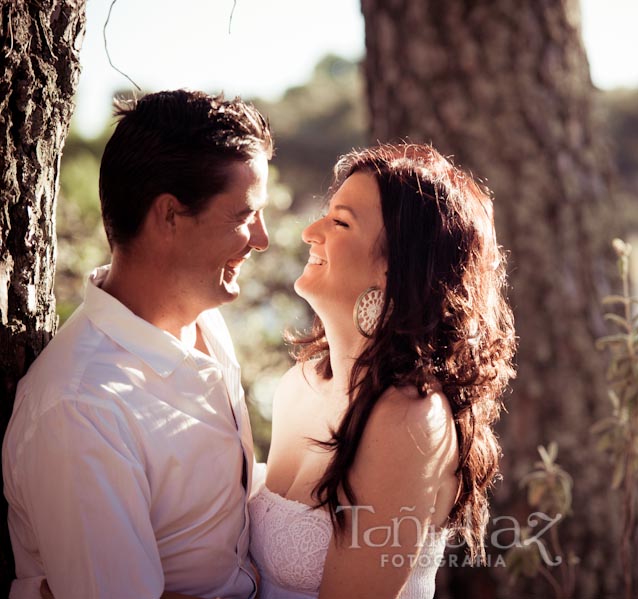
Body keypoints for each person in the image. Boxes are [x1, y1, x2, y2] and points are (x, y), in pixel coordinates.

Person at [2, 89, 273, 599]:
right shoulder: (82, 408)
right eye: (243, 215)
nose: (261, 238)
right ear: (169, 215)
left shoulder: (207, 322)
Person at [249, 143, 516, 598]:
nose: (310, 232)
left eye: (340, 222)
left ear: (394, 269)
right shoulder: (300, 384)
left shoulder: (409, 418)